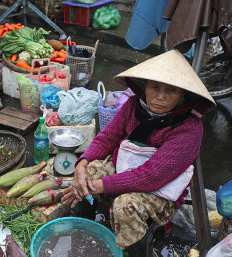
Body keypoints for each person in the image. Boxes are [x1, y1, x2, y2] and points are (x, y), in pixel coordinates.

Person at [61, 50, 216, 254]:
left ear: (183, 94)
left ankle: (136, 251)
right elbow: (107, 138)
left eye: (170, 90)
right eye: (154, 87)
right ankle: (83, 231)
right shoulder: (134, 105)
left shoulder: (189, 128)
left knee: (125, 207)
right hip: (125, 168)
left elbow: (150, 177)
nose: (160, 96)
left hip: (159, 189)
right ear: (145, 86)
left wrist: (99, 186)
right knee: (87, 176)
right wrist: (81, 164)